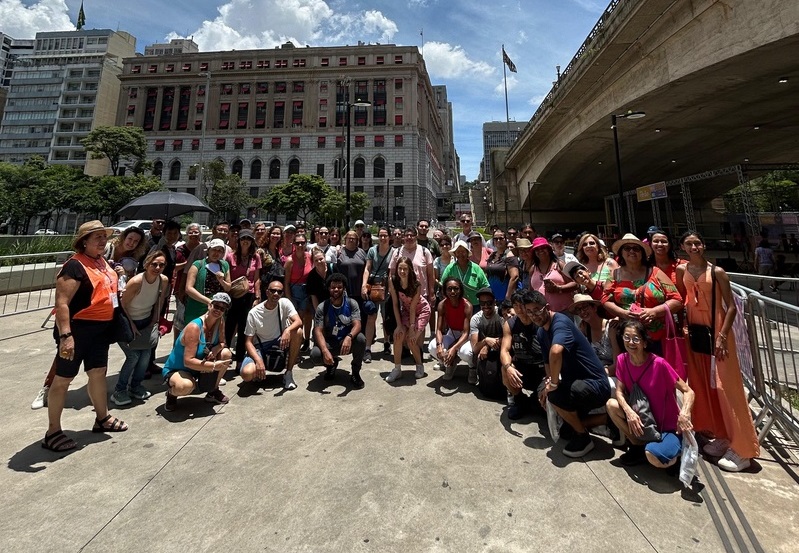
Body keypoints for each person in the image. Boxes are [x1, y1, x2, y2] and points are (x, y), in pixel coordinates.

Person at [677, 231, 760, 472]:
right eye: (689, 243)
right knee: (703, 384)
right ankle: (722, 433)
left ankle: (744, 449)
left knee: (726, 387)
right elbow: (684, 301)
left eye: (698, 243)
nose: (694, 247)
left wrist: (723, 335)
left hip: (717, 333)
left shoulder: (718, 272)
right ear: (683, 246)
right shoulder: (682, 271)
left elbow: (731, 306)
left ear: (703, 245)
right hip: (695, 333)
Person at [43, 220, 128, 452]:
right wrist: (66, 336)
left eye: (104, 236)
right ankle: (53, 432)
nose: (102, 240)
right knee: (63, 379)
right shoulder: (74, 266)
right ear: (84, 242)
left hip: (99, 330)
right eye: (97, 237)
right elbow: (62, 304)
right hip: (77, 329)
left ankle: (102, 418)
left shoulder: (101, 262)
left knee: (98, 372)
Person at [527, 290, 612, 458]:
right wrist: (547, 382)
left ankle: (584, 437)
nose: (534, 315)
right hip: (575, 383)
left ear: (547, 307)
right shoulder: (541, 332)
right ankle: (607, 419)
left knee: (556, 396)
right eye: (529, 311)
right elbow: (546, 362)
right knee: (565, 431)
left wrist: (552, 386)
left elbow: (556, 351)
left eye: (537, 309)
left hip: (595, 384)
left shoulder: (560, 322)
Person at [606, 320, 695, 468]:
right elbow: (620, 392)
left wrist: (685, 413)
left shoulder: (659, 364)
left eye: (636, 339)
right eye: (626, 337)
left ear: (644, 343)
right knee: (611, 405)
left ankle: (673, 454)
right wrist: (629, 412)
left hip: (666, 428)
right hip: (644, 420)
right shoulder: (622, 360)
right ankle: (638, 445)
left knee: (653, 456)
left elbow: (688, 391)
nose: (630, 342)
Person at [601, 234, 683, 355]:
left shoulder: (655, 272)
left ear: (642, 253)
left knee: (658, 370)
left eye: (636, 248)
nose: (632, 251)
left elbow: (677, 299)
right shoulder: (615, 274)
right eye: (627, 248)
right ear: (621, 253)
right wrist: (622, 313)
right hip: (629, 336)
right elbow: (604, 299)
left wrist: (654, 311)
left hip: (658, 337)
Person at [112, 250, 170, 406]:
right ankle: (119, 390)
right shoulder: (137, 281)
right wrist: (130, 325)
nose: (157, 268)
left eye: (161, 265)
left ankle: (135, 386)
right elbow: (122, 305)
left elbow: (159, 302)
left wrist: (155, 322)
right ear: (146, 264)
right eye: (154, 264)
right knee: (133, 357)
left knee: (145, 356)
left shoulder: (163, 280)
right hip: (126, 321)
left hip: (146, 322)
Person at [162, 292, 233, 410]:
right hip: (180, 368)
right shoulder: (194, 327)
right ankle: (171, 394)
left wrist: (215, 350)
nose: (218, 310)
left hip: (199, 365)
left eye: (222, 308)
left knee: (226, 353)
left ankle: (213, 391)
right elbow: (188, 361)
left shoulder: (219, 321)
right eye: (216, 306)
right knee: (186, 386)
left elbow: (222, 342)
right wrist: (214, 366)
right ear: (210, 305)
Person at [240, 279, 303, 390]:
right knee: (247, 374)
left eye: (279, 292)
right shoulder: (254, 313)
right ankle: (257, 371)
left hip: (279, 342)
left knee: (298, 332)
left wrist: (287, 331)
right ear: (267, 292)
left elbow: (298, 321)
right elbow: (248, 342)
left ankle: (288, 373)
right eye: (273, 291)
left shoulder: (284, 303)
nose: (276, 294)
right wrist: (258, 361)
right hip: (260, 347)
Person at [311, 273, 367, 389]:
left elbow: (358, 325)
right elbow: (317, 331)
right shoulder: (323, 307)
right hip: (330, 342)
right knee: (316, 354)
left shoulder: (351, 304)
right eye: (333, 287)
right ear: (328, 288)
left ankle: (355, 372)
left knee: (361, 339)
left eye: (339, 287)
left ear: (344, 288)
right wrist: (325, 350)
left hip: (346, 342)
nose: (336, 289)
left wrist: (349, 337)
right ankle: (331, 365)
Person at [500, 289, 546, 419]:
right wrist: (509, 367)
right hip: (522, 367)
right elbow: (504, 350)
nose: (519, 309)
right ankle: (519, 400)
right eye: (515, 305)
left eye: (521, 305)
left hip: (542, 369)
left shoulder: (540, 322)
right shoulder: (510, 324)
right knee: (505, 368)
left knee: (541, 409)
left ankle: (534, 400)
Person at [386, 256, 432, 382]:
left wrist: (411, 328)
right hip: (406, 310)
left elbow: (414, 308)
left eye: (405, 269)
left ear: (410, 269)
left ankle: (419, 365)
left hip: (421, 310)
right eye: (400, 268)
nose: (402, 271)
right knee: (399, 336)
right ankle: (397, 369)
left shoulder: (416, 284)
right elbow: (395, 303)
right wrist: (399, 325)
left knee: (411, 340)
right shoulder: (393, 281)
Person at [225, 228, 262, 370]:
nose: (245, 241)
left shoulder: (256, 257)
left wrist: (257, 297)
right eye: (242, 239)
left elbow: (257, 278)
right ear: (238, 241)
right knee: (229, 328)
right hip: (234, 296)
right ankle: (225, 357)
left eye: (248, 239)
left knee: (243, 329)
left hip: (249, 295)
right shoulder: (230, 256)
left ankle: (240, 359)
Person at [429, 277, 473, 380]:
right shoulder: (442, 305)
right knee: (432, 347)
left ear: (460, 290)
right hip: (452, 332)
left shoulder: (467, 305)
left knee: (465, 352)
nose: (452, 292)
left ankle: (472, 368)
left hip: (466, 335)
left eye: (456, 288)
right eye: (449, 289)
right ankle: (446, 363)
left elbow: (466, 333)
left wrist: (454, 348)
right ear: (445, 290)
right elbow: (439, 329)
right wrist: (439, 346)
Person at [361, 227, 394, 361]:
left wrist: (391, 289)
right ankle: (368, 348)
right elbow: (367, 268)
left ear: (389, 237)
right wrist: (364, 285)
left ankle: (386, 343)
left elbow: (392, 271)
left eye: (385, 235)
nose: (382, 238)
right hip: (373, 286)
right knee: (371, 316)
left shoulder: (394, 252)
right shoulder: (372, 251)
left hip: (386, 287)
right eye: (380, 235)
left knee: (386, 317)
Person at [184, 238, 232, 324]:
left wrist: (222, 281)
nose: (216, 253)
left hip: (217, 310)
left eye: (220, 251)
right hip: (197, 308)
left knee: (213, 335)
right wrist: (209, 302)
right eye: (214, 249)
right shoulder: (197, 264)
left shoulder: (224, 265)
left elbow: (228, 287)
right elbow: (188, 288)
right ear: (208, 250)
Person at [569, 294, 618, 377]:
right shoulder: (584, 329)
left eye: (585, 307)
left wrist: (598, 373)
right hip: (596, 372)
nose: (582, 312)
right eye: (578, 310)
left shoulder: (610, 328)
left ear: (594, 308)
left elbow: (617, 364)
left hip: (612, 375)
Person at [529, 237, 577, 313]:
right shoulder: (533, 269)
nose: (540, 250)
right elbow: (531, 290)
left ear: (549, 249)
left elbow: (575, 284)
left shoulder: (559, 264)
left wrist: (558, 288)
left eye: (543, 247)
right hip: (542, 314)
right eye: (537, 249)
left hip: (563, 311)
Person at [469, 287, 505, 387]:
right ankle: (473, 368)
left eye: (489, 303)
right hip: (482, 347)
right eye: (482, 303)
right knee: (466, 352)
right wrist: (486, 341)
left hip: (499, 346)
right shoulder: (475, 319)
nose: (485, 306)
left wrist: (488, 346)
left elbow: (508, 338)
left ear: (495, 302)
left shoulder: (501, 314)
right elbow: (475, 349)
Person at [284, 233, 313, 351]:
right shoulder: (290, 260)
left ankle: (306, 340)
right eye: (298, 243)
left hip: (307, 291)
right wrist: (289, 299)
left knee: (308, 316)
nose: (300, 245)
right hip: (294, 291)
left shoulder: (310, 257)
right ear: (294, 244)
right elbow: (286, 282)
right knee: (297, 320)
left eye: (303, 242)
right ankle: (294, 346)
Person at [173, 223, 202, 340]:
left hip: (198, 288)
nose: (193, 234)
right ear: (186, 234)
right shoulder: (180, 250)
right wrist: (188, 263)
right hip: (181, 286)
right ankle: (177, 342)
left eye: (196, 232)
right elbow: (173, 266)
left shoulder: (203, 248)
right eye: (191, 232)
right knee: (180, 317)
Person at [440, 240, 489, 307]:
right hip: (455, 304)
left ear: (467, 253)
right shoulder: (450, 268)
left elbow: (485, 286)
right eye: (458, 252)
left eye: (463, 252)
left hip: (475, 304)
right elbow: (443, 285)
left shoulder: (476, 268)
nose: (460, 254)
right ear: (455, 254)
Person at [571, 233, 618, 299]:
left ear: (598, 246)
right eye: (584, 244)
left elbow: (618, 286)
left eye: (592, 243)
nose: (588, 246)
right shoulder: (581, 266)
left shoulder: (610, 263)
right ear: (582, 248)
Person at [336, 230, 368, 311]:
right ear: (345, 239)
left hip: (359, 292)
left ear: (357, 241)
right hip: (344, 292)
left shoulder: (362, 252)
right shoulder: (339, 252)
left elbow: (367, 269)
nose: (351, 240)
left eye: (353, 238)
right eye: (349, 238)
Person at [485, 229, 520, 301]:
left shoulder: (509, 255)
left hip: (504, 296)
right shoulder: (492, 255)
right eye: (496, 239)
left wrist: (508, 296)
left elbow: (515, 276)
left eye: (501, 238)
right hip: (492, 296)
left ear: (505, 240)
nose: (498, 241)